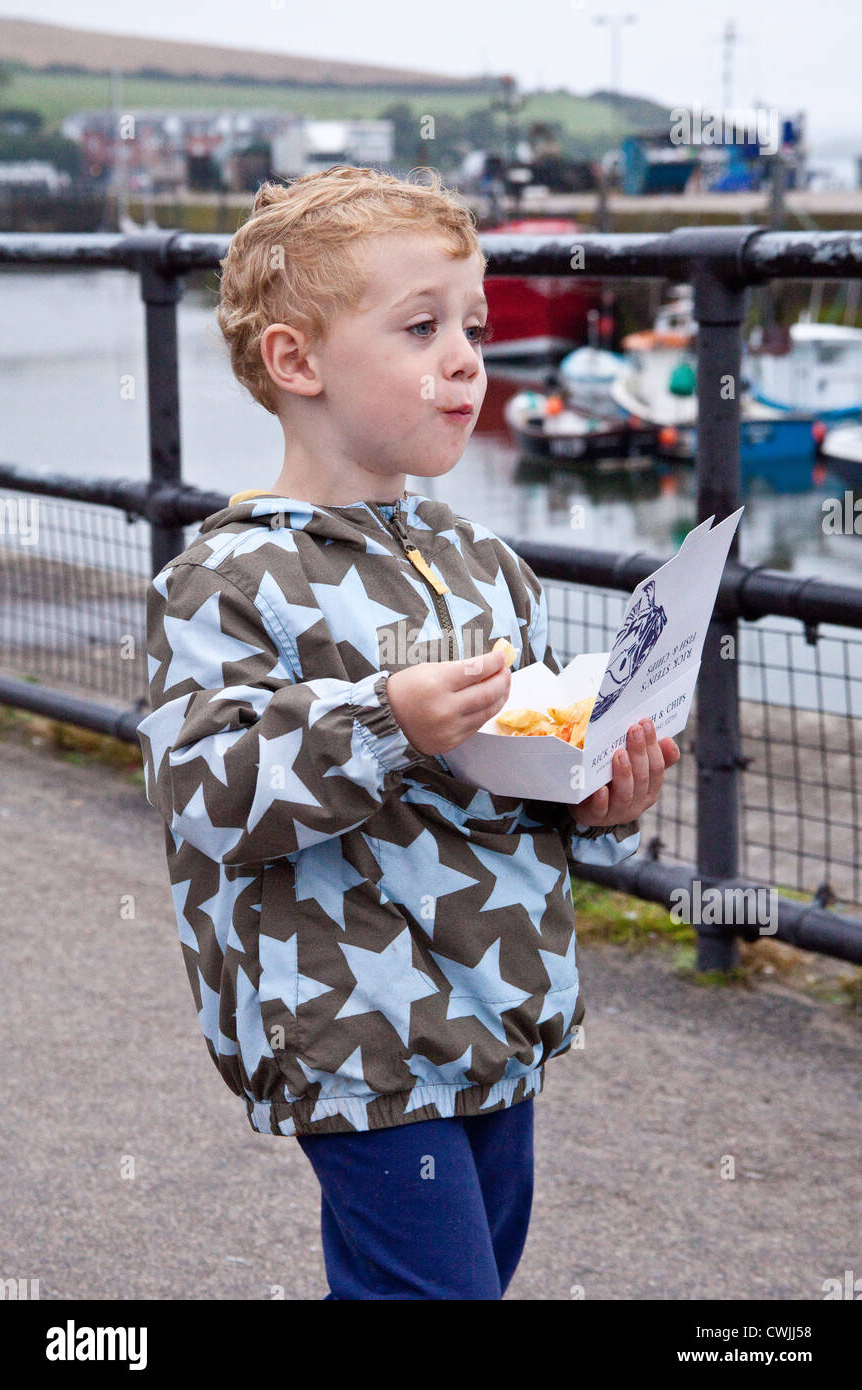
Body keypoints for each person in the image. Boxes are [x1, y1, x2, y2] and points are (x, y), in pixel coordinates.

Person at [136, 164, 680, 1300]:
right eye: (421, 327)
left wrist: (594, 799)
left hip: (497, 1012)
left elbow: (516, 778)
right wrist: (385, 718)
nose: (466, 358)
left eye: (472, 327)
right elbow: (205, 787)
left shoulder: (486, 563)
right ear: (297, 363)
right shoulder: (227, 579)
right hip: (355, 1033)